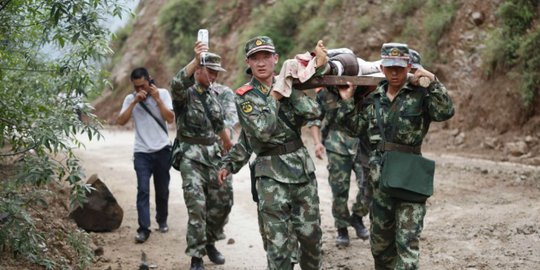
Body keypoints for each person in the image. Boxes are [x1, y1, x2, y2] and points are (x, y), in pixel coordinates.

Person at [335, 42, 454, 269]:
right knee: (380, 248)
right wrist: (347, 101)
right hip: (380, 182)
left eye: (400, 67)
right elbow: (353, 129)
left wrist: (434, 81)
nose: (395, 72)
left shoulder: (421, 95)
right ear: (382, 68)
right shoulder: (374, 99)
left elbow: (445, 111)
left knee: (407, 244)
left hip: (410, 178)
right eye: (390, 67)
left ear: (409, 66)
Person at [218, 36, 322, 270]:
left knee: (311, 239)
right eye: (256, 58)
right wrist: (230, 164)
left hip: (301, 172)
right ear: (249, 62)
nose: (262, 62)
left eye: (266, 56)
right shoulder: (245, 96)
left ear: (276, 59)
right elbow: (258, 134)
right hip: (270, 176)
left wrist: (290, 87)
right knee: (278, 245)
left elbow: (314, 112)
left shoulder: (289, 84)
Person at [169, 41, 234, 270]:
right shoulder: (184, 95)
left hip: (215, 155)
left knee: (223, 202)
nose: (214, 76)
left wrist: (228, 141)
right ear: (198, 70)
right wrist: (196, 59)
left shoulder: (221, 94)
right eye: (210, 71)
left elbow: (228, 121)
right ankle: (196, 257)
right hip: (191, 156)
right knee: (197, 206)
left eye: (217, 72)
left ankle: (211, 241)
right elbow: (176, 83)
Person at [116, 67, 175, 243]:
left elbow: (170, 118)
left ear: (149, 80)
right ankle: (143, 229)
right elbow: (120, 121)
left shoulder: (162, 94)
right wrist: (134, 101)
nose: (140, 90)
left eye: (142, 85)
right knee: (142, 190)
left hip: (162, 150)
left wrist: (157, 100)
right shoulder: (130, 99)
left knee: (162, 190)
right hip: (141, 152)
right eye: (136, 87)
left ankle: (162, 219)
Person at [308, 86, 370, 248]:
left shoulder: (363, 89)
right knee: (339, 189)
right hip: (336, 144)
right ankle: (342, 228)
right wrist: (317, 142)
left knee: (369, 184)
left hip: (361, 143)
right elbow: (314, 117)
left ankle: (357, 216)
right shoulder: (324, 93)